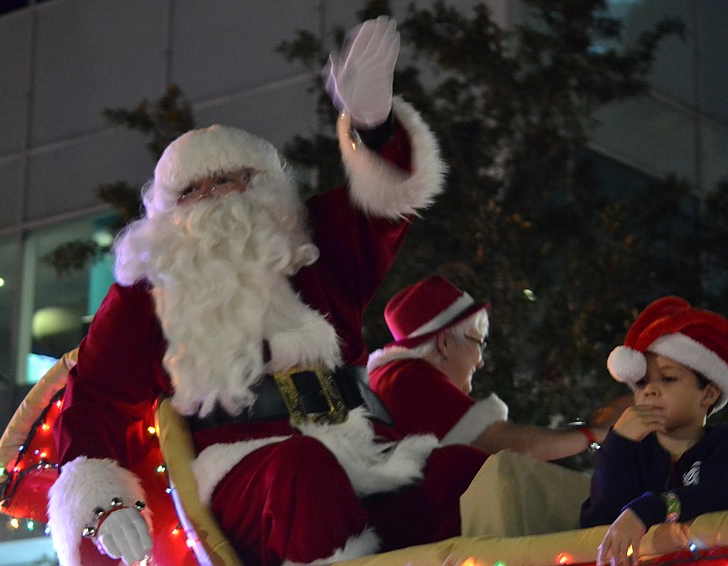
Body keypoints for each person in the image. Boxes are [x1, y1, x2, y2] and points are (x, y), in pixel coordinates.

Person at [46, 17, 489, 566]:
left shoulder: (315, 246)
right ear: (169, 211)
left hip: (364, 453)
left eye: (228, 180)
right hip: (250, 472)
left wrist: (373, 127)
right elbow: (94, 399)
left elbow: (387, 205)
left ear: (265, 187)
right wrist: (104, 502)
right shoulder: (149, 291)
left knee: (464, 474)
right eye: (192, 190)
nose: (213, 198)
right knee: (302, 470)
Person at [367, 275, 609, 460]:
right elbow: (510, 446)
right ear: (445, 343)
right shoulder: (412, 380)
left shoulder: (391, 377)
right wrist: (594, 435)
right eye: (479, 343)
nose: (480, 361)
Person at [580, 296, 728, 565]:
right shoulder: (632, 453)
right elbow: (598, 523)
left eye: (667, 378)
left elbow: (717, 493)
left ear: (709, 393)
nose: (649, 390)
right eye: (640, 383)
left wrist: (650, 509)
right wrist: (618, 444)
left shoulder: (721, 443)